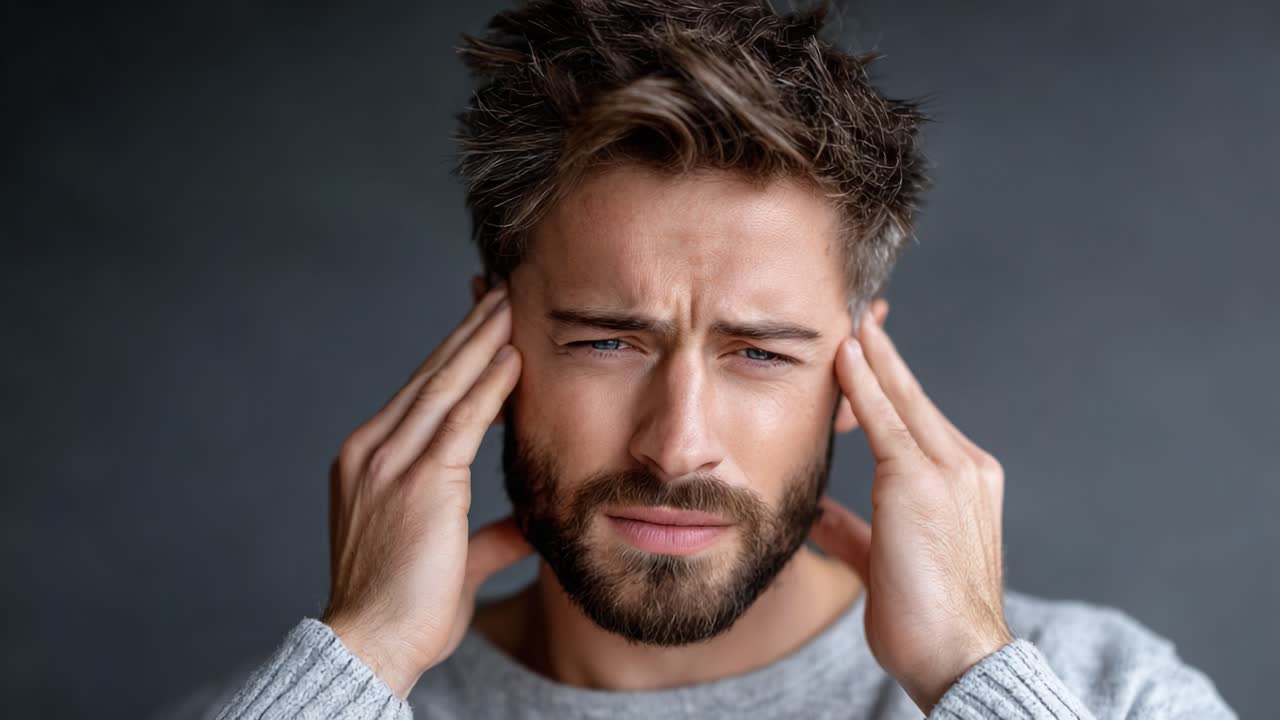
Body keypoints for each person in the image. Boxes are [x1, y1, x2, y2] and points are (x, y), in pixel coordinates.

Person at [161, 1, 1237, 718]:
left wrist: (965, 673)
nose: (676, 444)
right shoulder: (306, 701)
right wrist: (361, 663)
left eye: (759, 353)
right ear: (487, 346)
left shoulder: (1102, 691)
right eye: (603, 341)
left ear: (857, 373)